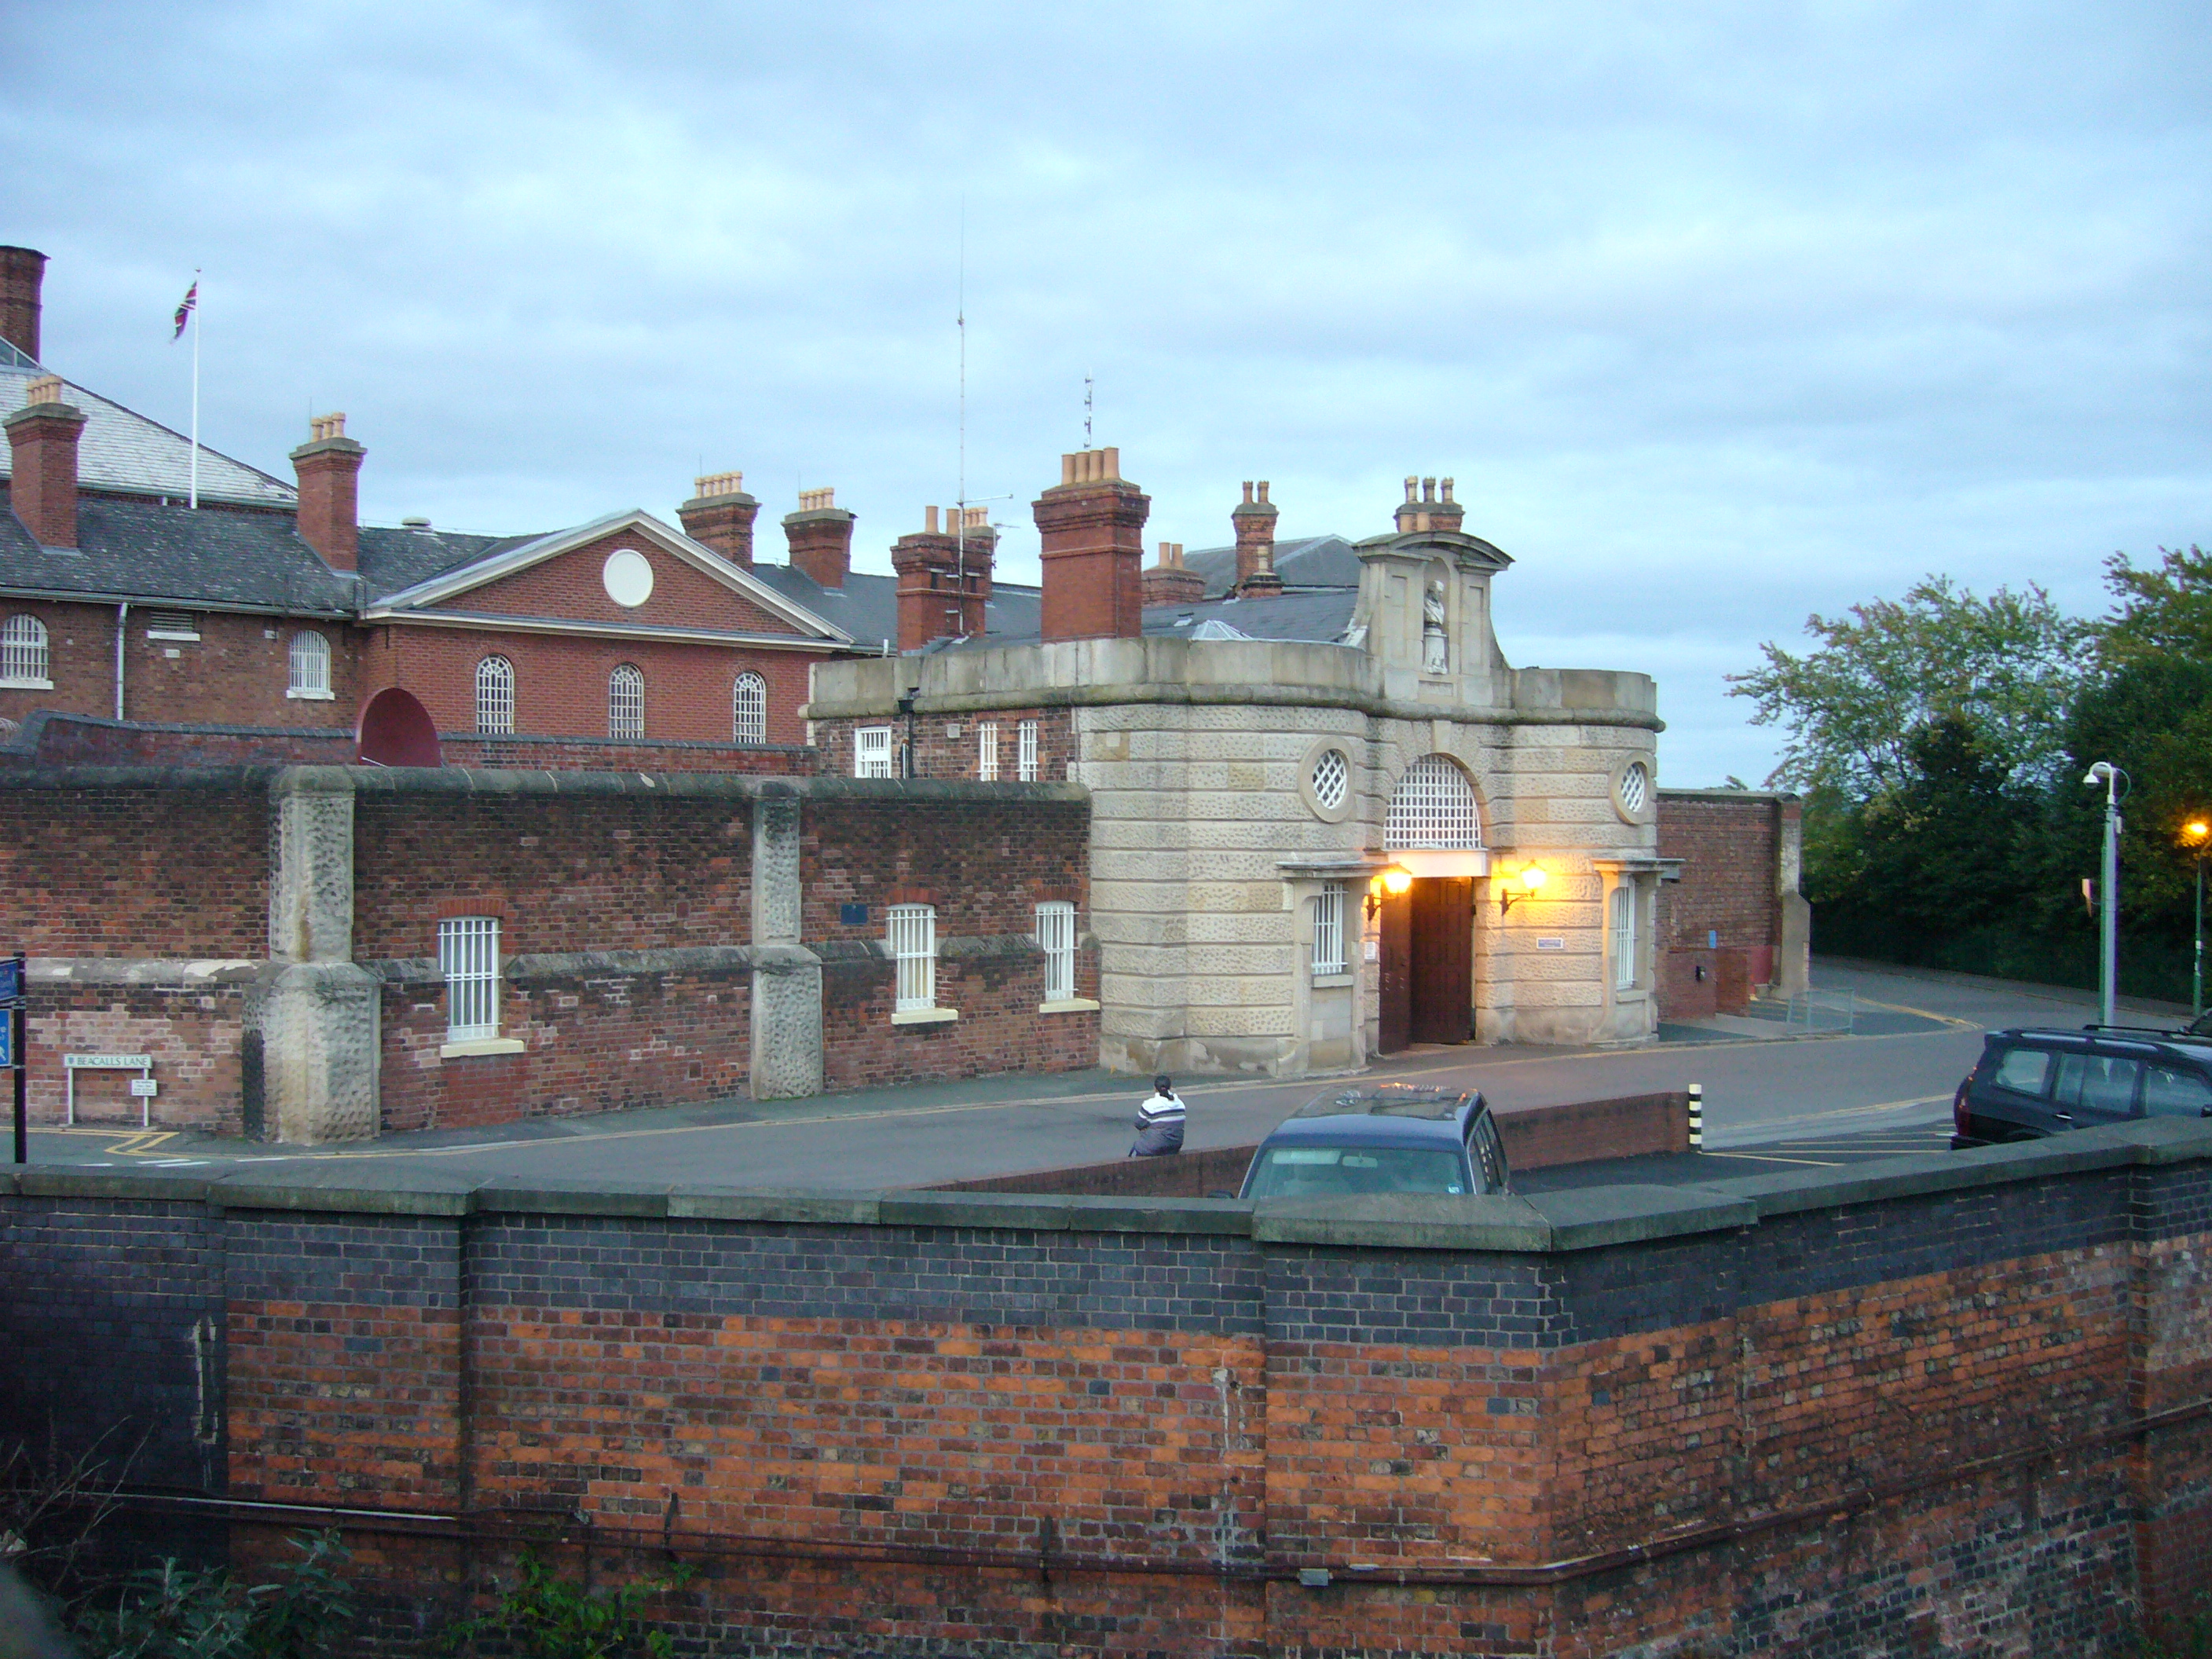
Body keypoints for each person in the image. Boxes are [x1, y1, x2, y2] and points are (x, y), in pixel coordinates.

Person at [1129, 1075, 1185, 1158]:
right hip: (1175, 1146)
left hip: (1156, 1146)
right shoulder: (1180, 1104)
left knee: (1137, 1147)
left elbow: (1138, 1124)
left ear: (1155, 1088)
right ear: (1170, 1088)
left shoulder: (1150, 1104)